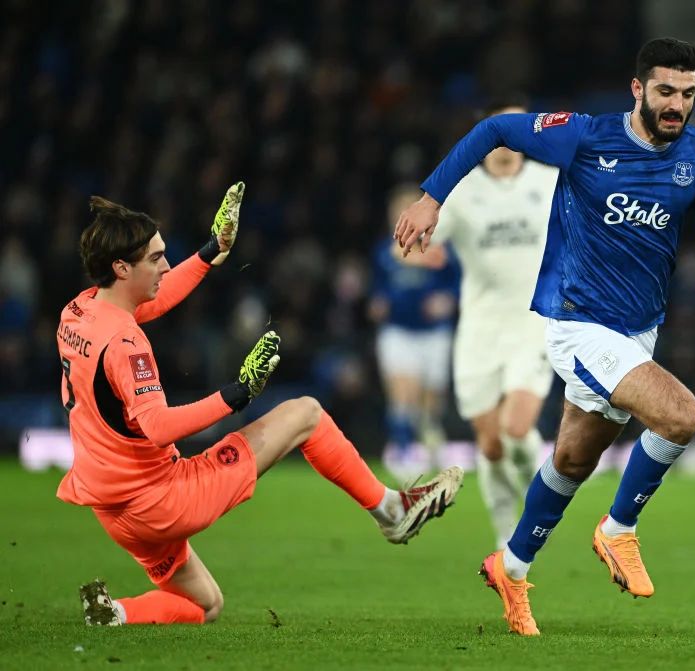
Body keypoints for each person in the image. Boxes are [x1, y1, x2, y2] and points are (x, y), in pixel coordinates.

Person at [396, 38, 695, 635]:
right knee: (680, 416)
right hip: (577, 322)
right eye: (665, 91)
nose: (676, 104)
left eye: (687, 94)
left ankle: (510, 565)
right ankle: (619, 531)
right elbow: (494, 130)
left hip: (638, 332)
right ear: (638, 89)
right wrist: (431, 199)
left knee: (573, 460)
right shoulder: (583, 136)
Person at [60, 183, 464, 626]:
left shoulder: (80, 312)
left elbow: (151, 301)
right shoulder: (126, 344)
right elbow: (157, 426)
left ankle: (114, 613)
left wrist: (211, 251)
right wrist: (238, 393)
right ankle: (392, 512)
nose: (165, 266)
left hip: (113, 509)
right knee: (305, 413)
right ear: (121, 266)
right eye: (156, 258)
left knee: (205, 606)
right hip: (160, 500)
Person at [401, 98, 558, 551]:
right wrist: (413, 246)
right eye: (499, 131)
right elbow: (422, 233)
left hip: (534, 321)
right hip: (480, 329)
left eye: (518, 130)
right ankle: (507, 532)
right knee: (489, 445)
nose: (508, 142)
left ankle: (543, 489)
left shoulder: (549, 182)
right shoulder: (463, 191)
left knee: (516, 426)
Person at [370, 184, 460, 475]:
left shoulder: (439, 250)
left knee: (431, 400)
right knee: (403, 392)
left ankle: (431, 440)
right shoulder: (384, 253)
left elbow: (457, 285)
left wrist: (447, 300)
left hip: (434, 332)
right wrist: (377, 303)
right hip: (398, 331)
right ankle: (402, 452)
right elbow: (377, 289)